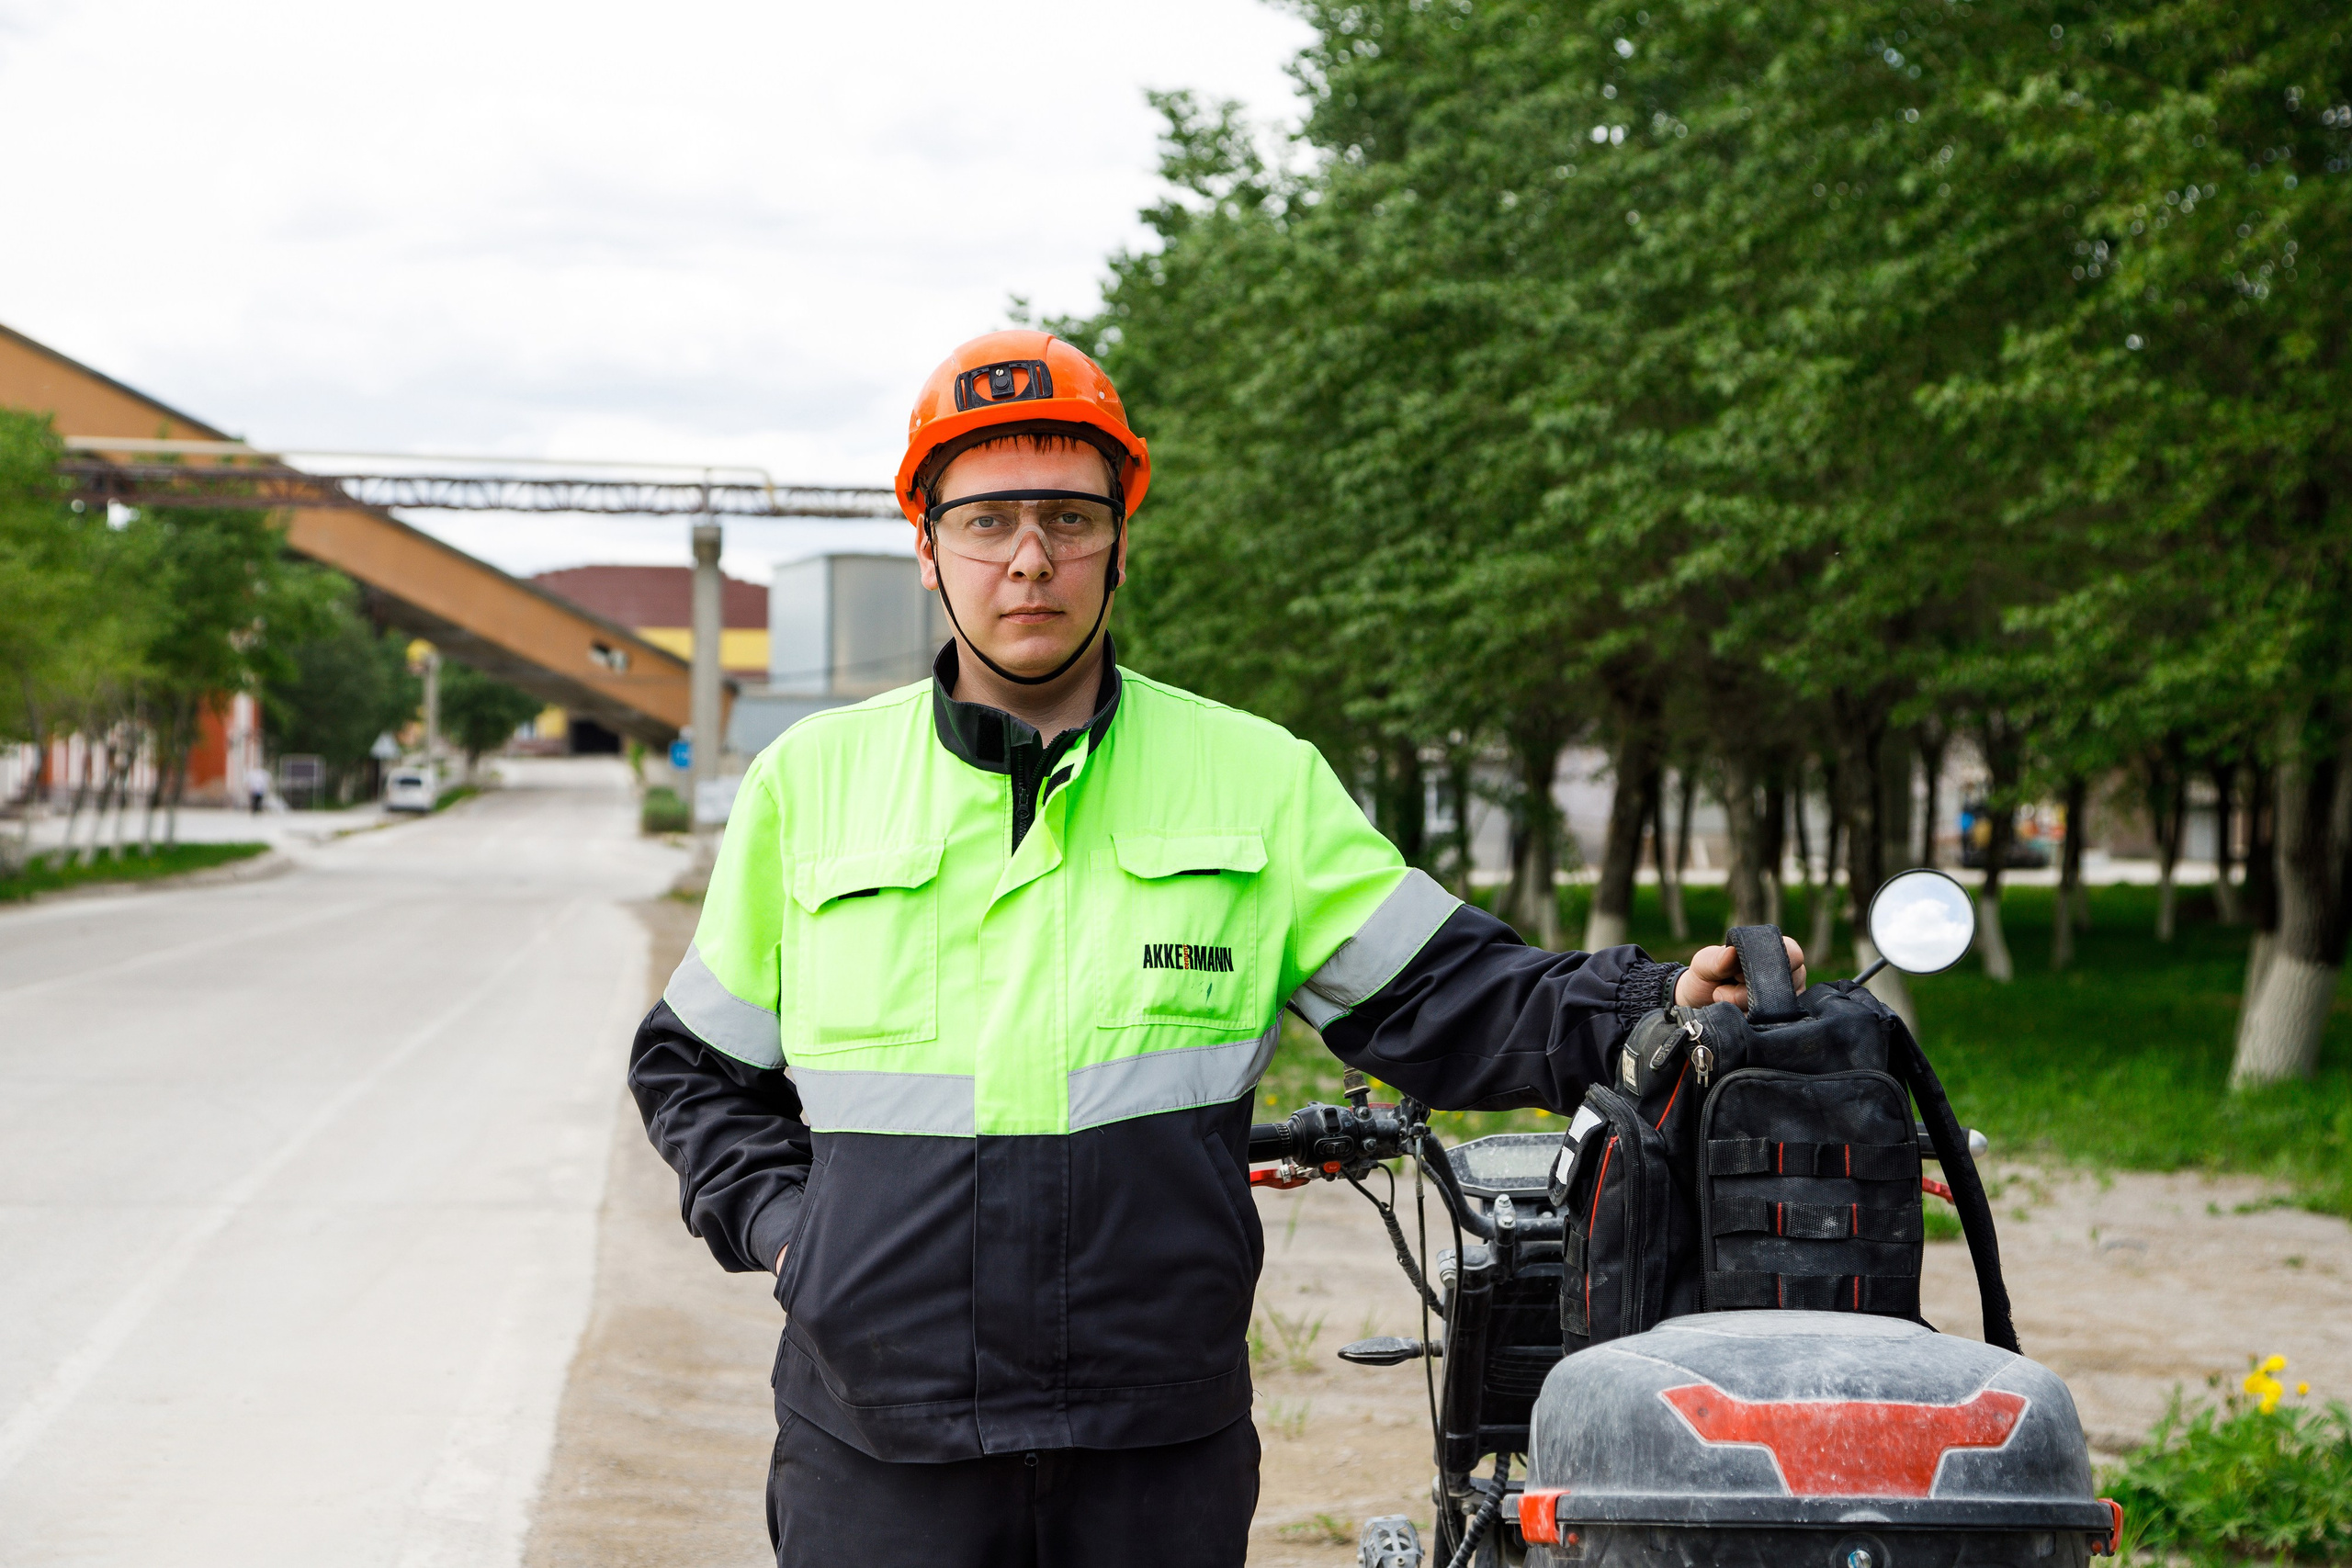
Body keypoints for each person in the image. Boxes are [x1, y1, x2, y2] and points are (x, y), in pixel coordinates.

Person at [628, 331, 1804, 1568]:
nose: (1032, 557)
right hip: (877, 1439)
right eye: (987, 520)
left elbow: (1453, 993)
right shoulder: (812, 786)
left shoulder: (1254, 779)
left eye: (1071, 517)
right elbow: (693, 1069)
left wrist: (1654, 999)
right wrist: (788, 1233)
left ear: (1121, 539)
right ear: (928, 547)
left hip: (1156, 1442)